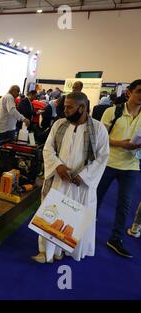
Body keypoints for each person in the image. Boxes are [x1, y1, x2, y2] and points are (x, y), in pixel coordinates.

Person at [32, 92, 109, 263]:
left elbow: (103, 156)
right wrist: (57, 166)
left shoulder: (98, 128)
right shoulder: (59, 124)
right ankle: (46, 252)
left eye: (69, 107)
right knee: (51, 214)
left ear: (82, 108)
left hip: (81, 185)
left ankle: (64, 250)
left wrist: (84, 176)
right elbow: (48, 148)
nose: (64, 110)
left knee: (72, 218)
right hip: (59, 180)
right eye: (65, 106)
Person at [97, 79, 141, 258]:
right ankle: (83, 228)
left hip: (132, 165)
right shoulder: (111, 111)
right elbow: (100, 138)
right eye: (139, 91)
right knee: (95, 198)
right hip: (108, 162)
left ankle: (116, 239)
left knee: (125, 204)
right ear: (129, 92)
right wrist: (121, 144)